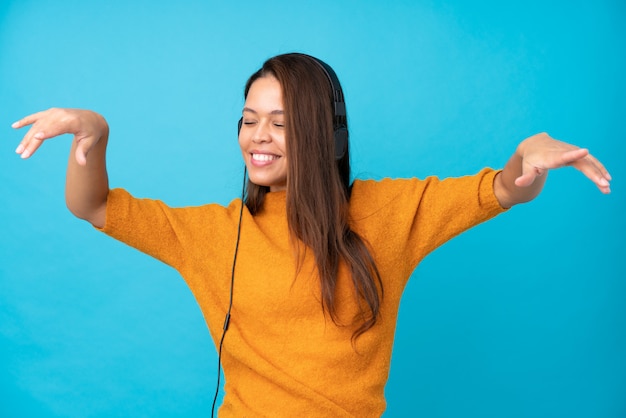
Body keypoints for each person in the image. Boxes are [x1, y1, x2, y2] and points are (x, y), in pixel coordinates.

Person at [12, 53, 611, 417]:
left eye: (280, 122)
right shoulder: (217, 233)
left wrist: (527, 157)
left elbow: (502, 189)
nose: (258, 136)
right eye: (249, 120)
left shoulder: (386, 213)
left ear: (324, 134)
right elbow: (90, 206)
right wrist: (94, 134)